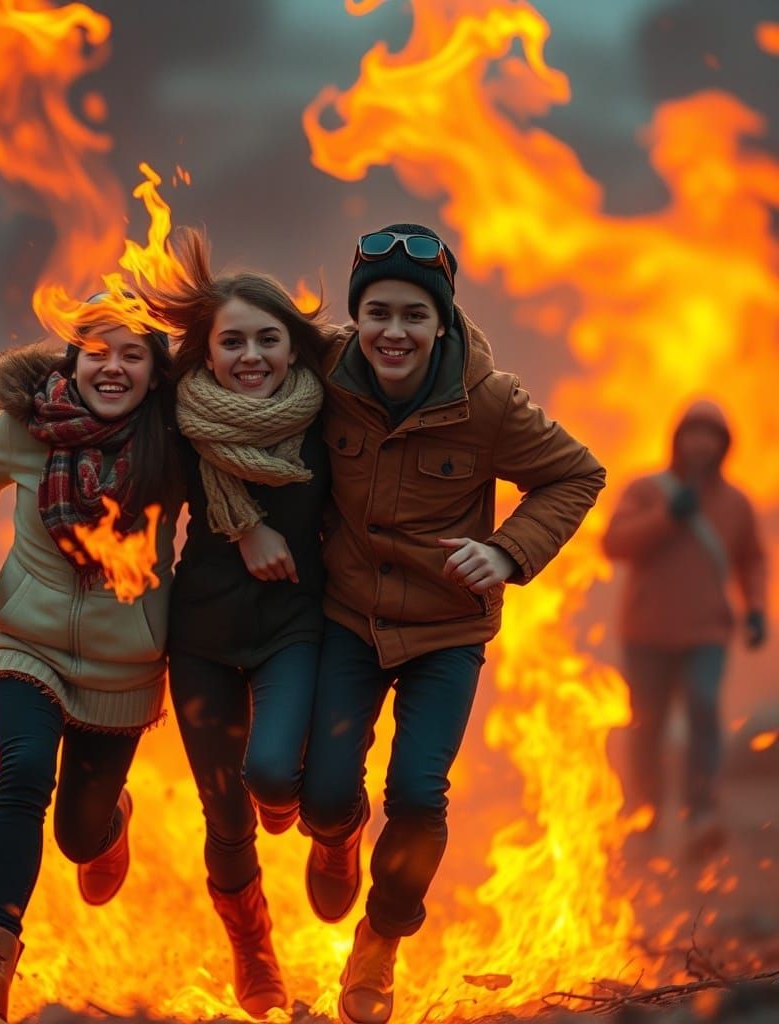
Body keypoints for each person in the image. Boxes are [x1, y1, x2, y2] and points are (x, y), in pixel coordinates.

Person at [299, 224, 606, 1024]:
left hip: (445, 634)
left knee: (417, 794)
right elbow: (237, 347)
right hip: (348, 615)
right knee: (327, 792)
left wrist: (506, 553)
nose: (393, 333)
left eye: (412, 316)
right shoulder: (324, 367)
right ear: (355, 317)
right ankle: (333, 836)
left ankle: (380, 945)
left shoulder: (491, 402)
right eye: (377, 314)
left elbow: (576, 474)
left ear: (442, 323)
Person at [0, 301, 183, 1024]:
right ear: (71, 362)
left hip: (125, 667)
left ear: (155, 371)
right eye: (97, 351)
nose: (113, 366)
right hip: (27, 644)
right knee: (22, 774)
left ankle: (109, 822)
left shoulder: (174, 439)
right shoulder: (29, 427)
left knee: (77, 833)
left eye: (132, 354)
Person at [139, 229, 331, 1018]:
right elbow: (88, 388)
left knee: (273, 778)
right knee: (223, 814)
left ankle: (333, 828)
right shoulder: (178, 419)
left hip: (294, 623)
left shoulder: (330, 415)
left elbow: (410, 357)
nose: (250, 355)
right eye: (232, 342)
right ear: (206, 354)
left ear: (293, 347)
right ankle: (253, 949)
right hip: (203, 637)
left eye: (267, 338)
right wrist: (245, 526)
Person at [602, 399, 767, 855]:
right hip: (646, 632)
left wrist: (755, 608)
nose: (701, 443)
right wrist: (667, 517)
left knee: (702, 704)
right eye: (693, 433)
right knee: (647, 724)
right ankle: (646, 814)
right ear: (677, 439)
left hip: (706, 633)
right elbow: (613, 544)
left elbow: (751, 560)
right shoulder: (646, 490)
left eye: (711, 435)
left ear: (724, 445)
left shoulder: (735, 502)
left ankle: (701, 813)